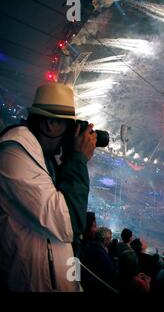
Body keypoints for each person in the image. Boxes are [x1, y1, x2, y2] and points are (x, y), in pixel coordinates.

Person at [0, 83, 97, 292]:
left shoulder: (45, 158)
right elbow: (67, 223)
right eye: (69, 127)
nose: (73, 135)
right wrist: (78, 159)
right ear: (50, 123)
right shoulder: (15, 149)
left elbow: (70, 240)